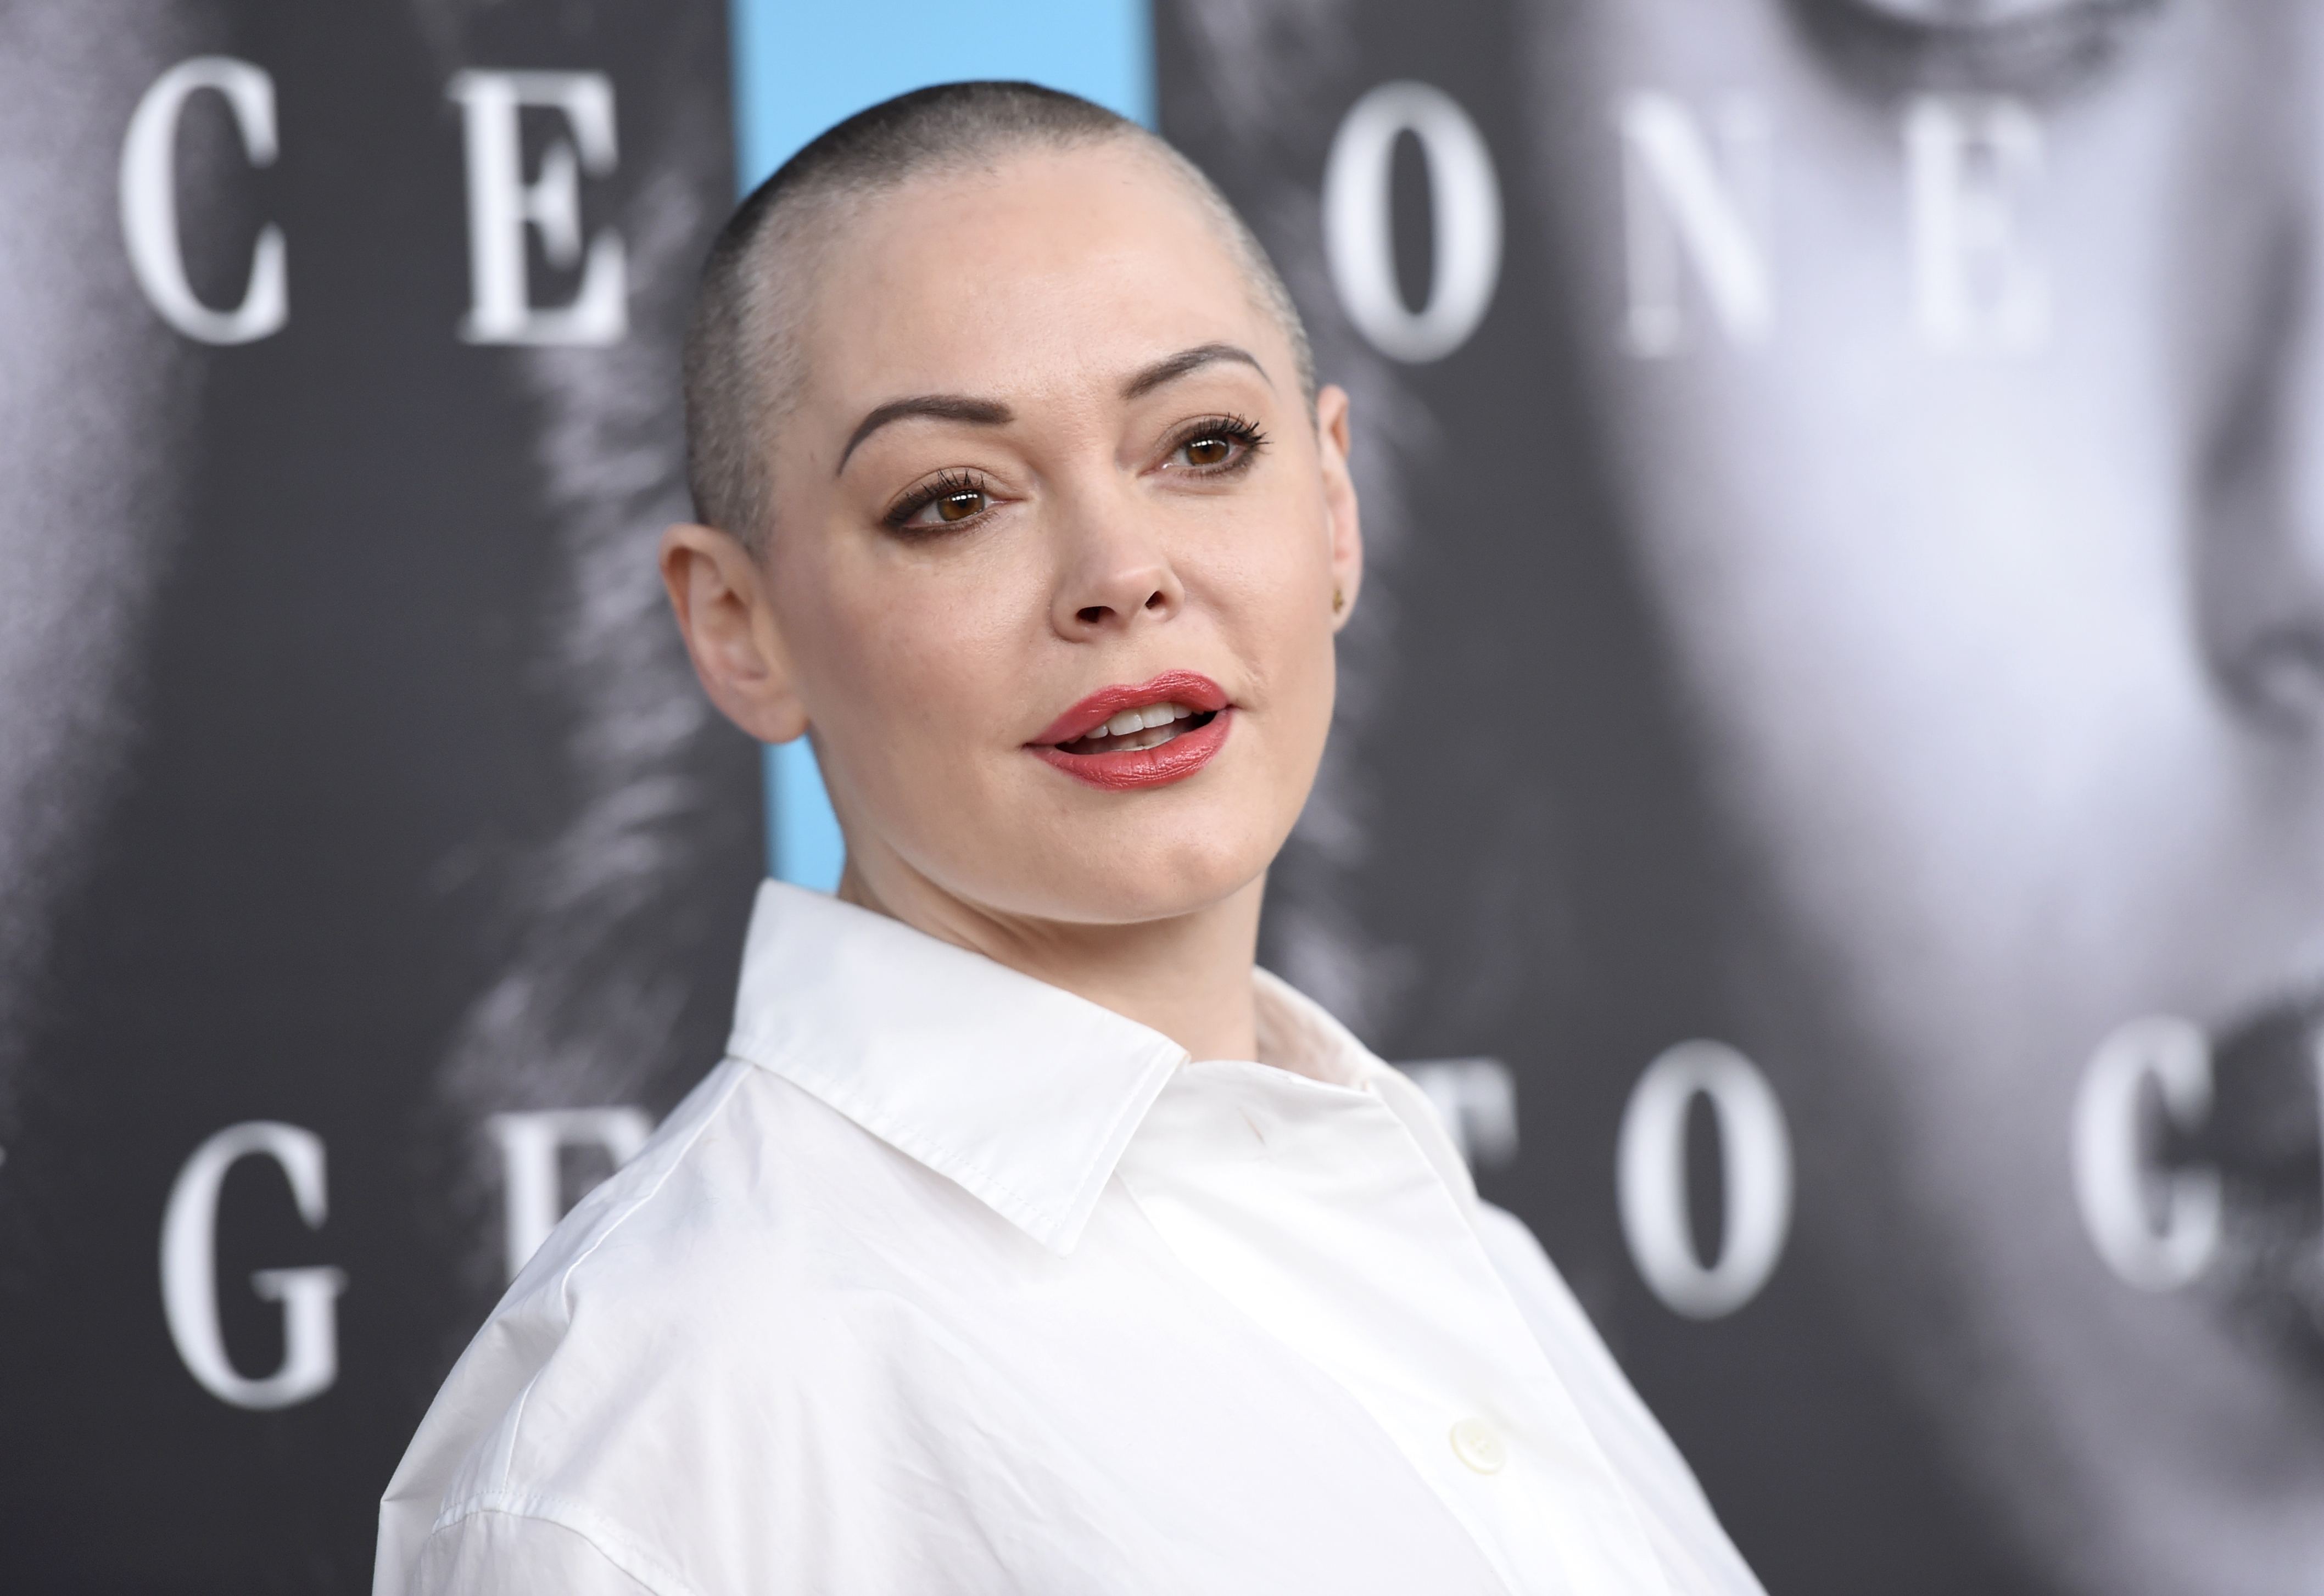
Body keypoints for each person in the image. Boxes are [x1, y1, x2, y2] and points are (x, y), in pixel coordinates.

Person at [373, 81, 1764, 1596]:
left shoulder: (1461, 1252)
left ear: (1338, 505)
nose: (1121, 573)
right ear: (739, 625)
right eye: (954, 499)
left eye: (1205, 444)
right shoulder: (667, 1438)